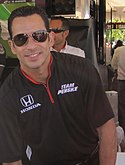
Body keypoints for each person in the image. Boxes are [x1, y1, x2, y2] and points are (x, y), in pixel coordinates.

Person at [0, 6, 117, 165]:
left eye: (39, 36)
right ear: (12, 46)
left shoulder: (81, 70)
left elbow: (106, 128)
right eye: (21, 39)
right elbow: (12, 159)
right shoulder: (8, 94)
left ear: (50, 39)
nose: (31, 46)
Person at [111, 45, 125, 135]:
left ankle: (123, 128)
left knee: (122, 106)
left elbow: (113, 65)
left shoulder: (119, 50)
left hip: (122, 81)